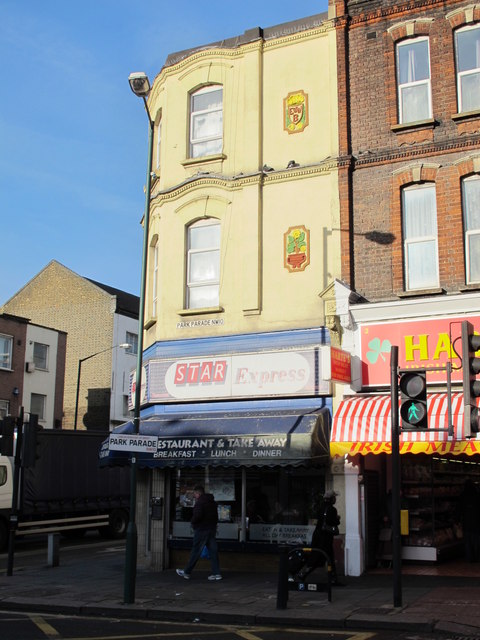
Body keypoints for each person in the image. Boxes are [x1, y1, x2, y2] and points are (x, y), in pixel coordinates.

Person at [176, 485, 222, 581]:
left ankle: (187, 571)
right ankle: (216, 573)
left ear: (198, 493)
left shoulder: (200, 502)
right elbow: (216, 516)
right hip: (211, 529)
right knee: (213, 551)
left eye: (194, 494)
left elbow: (197, 515)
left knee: (196, 550)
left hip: (201, 530)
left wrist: (193, 522)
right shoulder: (212, 502)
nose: (194, 496)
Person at [310, 489, 341, 583]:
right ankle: (333, 578)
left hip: (317, 536)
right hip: (326, 537)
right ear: (331, 499)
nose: (335, 499)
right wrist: (337, 519)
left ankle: (303, 573)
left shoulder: (320, 507)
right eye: (334, 497)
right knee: (329, 557)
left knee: (318, 556)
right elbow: (333, 522)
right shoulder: (332, 509)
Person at [459, 479, 480, 562]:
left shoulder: (463, 495)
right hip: (477, 522)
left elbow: (459, 508)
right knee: (476, 540)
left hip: (466, 521)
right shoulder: (477, 495)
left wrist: (456, 519)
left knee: (467, 541)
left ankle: (469, 558)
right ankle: (477, 557)